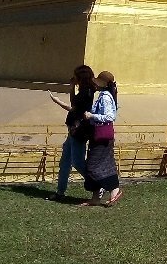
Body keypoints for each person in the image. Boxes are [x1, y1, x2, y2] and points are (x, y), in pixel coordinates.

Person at [49, 65, 95, 202]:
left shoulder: (87, 91)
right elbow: (75, 109)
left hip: (79, 132)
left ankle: (98, 184)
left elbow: (74, 105)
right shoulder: (84, 91)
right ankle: (60, 192)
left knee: (77, 162)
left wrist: (70, 88)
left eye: (75, 76)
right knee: (65, 162)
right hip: (73, 130)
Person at [81, 70, 122, 207]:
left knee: (93, 166)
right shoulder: (105, 95)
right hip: (99, 136)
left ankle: (114, 189)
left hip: (101, 137)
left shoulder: (105, 97)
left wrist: (92, 116)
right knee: (103, 165)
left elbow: (110, 117)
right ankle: (95, 197)